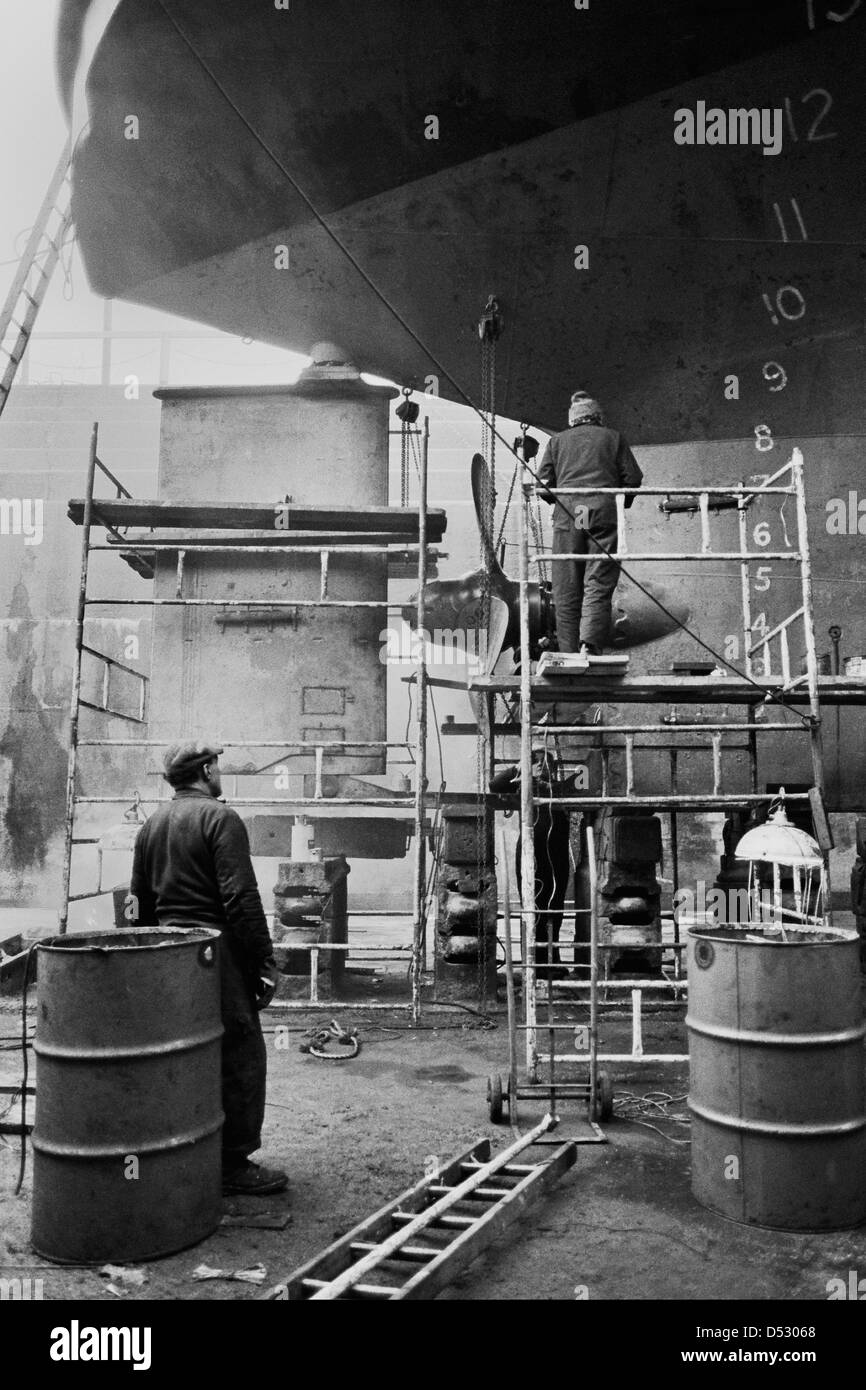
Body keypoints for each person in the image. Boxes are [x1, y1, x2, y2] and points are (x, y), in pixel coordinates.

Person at [128, 740, 287, 1196]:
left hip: (167, 954)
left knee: (181, 1053)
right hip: (214, 953)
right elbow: (240, 897)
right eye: (217, 765)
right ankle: (233, 1164)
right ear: (206, 770)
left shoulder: (152, 825)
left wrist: (144, 956)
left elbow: (137, 902)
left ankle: (179, 1151)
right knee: (240, 1053)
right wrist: (263, 960)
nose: (221, 772)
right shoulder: (221, 818)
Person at [538, 391, 643, 654]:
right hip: (603, 513)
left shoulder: (557, 441)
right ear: (598, 418)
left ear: (573, 420)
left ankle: (568, 650)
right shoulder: (613, 438)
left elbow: (542, 486)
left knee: (566, 586)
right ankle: (590, 644)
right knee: (598, 580)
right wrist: (618, 502)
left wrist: (562, 501)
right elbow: (632, 478)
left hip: (569, 515)